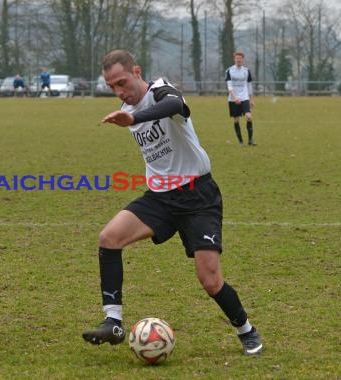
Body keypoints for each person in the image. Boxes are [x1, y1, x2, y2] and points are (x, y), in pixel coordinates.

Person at [81, 49, 263, 356]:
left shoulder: (160, 91)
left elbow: (175, 104)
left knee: (210, 280)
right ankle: (113, 321)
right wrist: (130, 113)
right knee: (109, 238)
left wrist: (134, 117)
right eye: (111, 86)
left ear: (137, 71)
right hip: (160, 197)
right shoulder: (126, 107)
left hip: (198, 197)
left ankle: (246, 329)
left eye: (122, 82)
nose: (119, 91)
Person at [225, 51, 256, 146]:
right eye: (237, 58)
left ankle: (250, 140)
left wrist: (251, 99)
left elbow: (249, 86)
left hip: (244, 97)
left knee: (249, 117)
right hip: (233, 98)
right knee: (236, 120)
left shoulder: (246, 71)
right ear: (234, 59)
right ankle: (241, 141)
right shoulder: (229, 71)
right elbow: (229, 86)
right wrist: (235, 97)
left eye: (240, 58)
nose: (238, 60)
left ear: (243, 59)